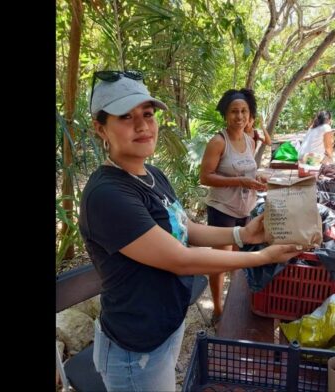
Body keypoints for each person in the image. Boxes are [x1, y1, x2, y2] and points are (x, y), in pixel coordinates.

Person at [78, 71, 302, 392]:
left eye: (148, 114)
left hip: (167, 326)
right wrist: (263, 256)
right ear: (101, 128)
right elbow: (180, 260)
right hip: (136, 347)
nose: (142, 125)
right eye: (125, 117)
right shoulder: (108, 195)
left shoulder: (152, 174)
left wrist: (243, 236)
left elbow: (186, 229)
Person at [199, 88, 268, 324]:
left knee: (238, 261)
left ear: (249, 115)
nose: (239, 116)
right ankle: (218, 310)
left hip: (244, 210)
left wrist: (259, 180)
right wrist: (239, 181)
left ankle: (236, 306)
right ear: (226, 115)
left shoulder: (249, 141)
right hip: (222, 210)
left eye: (243, 111)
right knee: (219, 262)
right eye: (234, 111)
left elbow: (248, 170)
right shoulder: (218, 142)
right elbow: (205, 177)